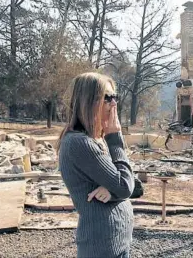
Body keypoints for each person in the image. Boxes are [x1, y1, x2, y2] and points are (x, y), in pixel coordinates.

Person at [57, 72, 135, 258]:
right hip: (101, 248)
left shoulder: (96, 140)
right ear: (88, 101)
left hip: (117, 243)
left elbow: (132, 184)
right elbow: (125, 186)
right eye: (107, 98)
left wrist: (112, 190)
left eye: (115, 97)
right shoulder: (80, 143)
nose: (114, 104)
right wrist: (115, 139)